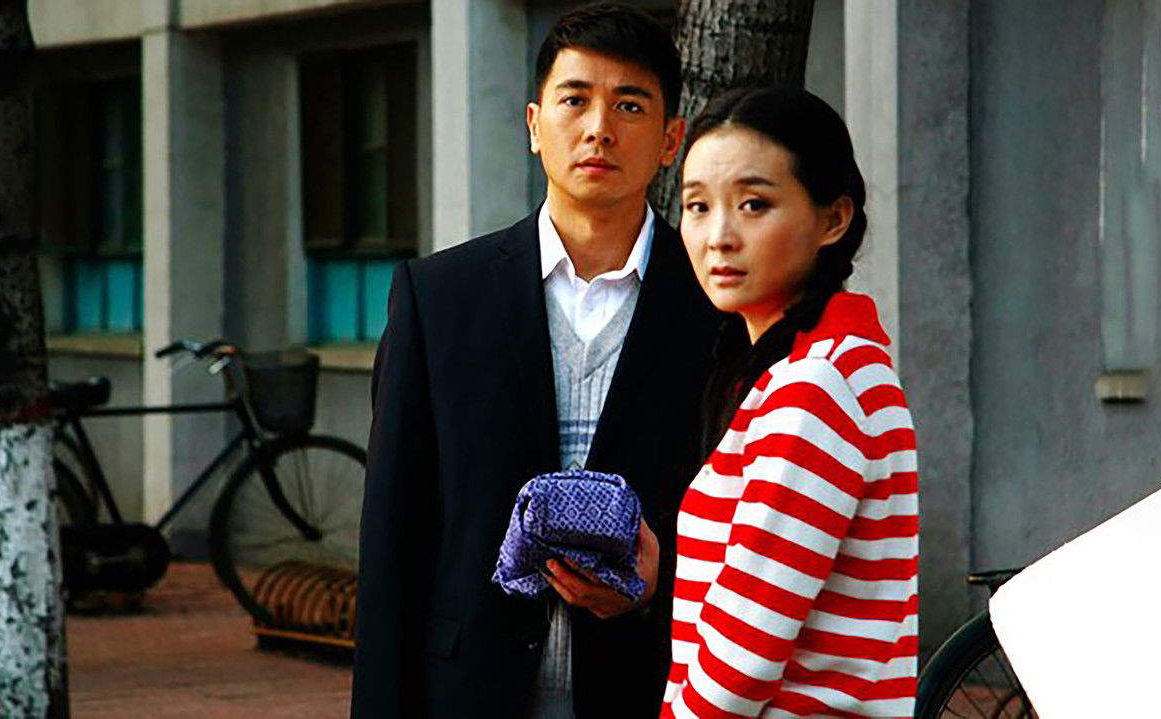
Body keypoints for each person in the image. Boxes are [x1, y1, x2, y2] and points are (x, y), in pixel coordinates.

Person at [351, 4, 723, 718]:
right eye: (574, 100)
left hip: (655, 686)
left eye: (630, 105)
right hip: (469, 690)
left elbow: (748, 528)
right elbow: (395, 531)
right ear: (533, 124)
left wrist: (658, 582)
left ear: (671, 139)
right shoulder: (440, 296)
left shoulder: (717, 307)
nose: (599, 128)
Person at [662, 85, 919, 718]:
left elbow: (743, 657)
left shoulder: (815, 387)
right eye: (698, 206)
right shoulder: (819, 366)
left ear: (834, 219)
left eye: (753, 204)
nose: (719, 236)